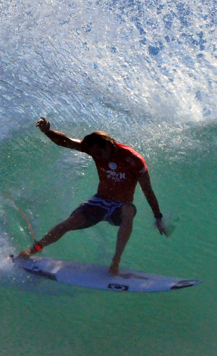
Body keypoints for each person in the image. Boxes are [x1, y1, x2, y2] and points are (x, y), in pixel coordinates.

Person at [16, 117, 168, 275]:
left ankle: (115, 262)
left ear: (108, 145)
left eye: (99, 152)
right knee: (69, 223)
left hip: (120, 207)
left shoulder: (133, 159)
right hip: (99, 202)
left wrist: (158, 216)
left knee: (128, 210)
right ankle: (34, 249)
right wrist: (48, 132)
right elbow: (66, 141)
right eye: (94, 153)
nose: (97, 156)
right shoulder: (94, 149)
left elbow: (148, 190)